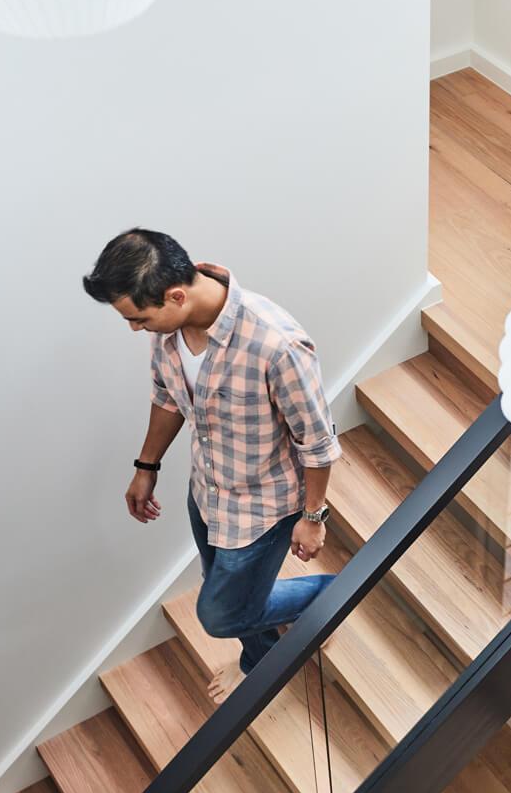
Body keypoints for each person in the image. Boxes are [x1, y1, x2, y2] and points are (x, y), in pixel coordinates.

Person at [83, 229, 340, 704]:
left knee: (220, 615)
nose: (135, 329)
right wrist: (147, 465)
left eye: (138, 319)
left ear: (176, 295)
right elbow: (168, 398)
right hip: (207, 490)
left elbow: (318, 443)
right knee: (224, 589)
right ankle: (260, 660)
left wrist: (312, 517)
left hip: (263, 507)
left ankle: (332, 593)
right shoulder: (170, 332)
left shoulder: (276, 344)